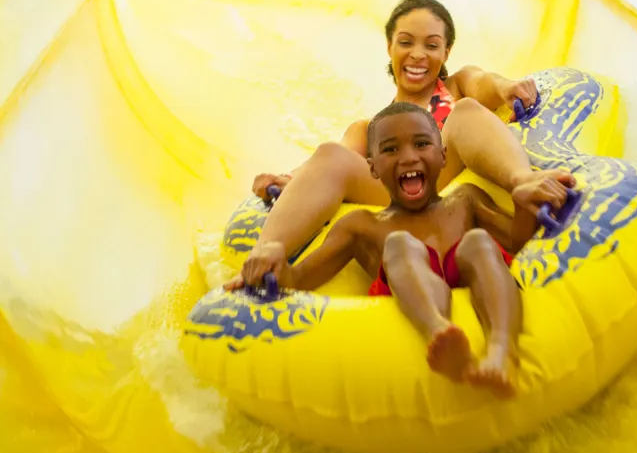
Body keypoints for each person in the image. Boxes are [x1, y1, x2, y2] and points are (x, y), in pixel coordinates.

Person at [226, 102, 571, 398]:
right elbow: (299, 280)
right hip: (407, 287)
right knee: (401, 245)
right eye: (390, 150)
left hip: (469, 270)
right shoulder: (363, 225)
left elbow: (517, 245)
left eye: (422, 144)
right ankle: (439, 333)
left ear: (443, 155)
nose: (408, 157)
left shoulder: (465, 201)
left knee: (479, 243)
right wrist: (276, 263)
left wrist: (523, 206)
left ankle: (501, 352)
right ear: (372, 167)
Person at [244, 0, 576, 275]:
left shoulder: (457, 86)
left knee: (466, 111)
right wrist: (286, 179)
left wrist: (507, 87)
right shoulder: (371, 128)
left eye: (431, 45)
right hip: (400, 194)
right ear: (390, 47)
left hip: (448, 171)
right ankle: (266, 253)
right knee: (334, 152)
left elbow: (484, 81)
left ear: (446, 52)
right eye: (406, 42)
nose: (417, 54)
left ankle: (523, 180)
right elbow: (331, 160)